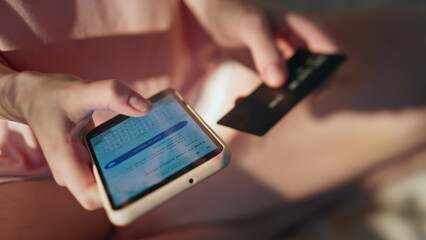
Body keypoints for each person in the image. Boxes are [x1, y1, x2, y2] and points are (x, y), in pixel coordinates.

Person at [1, 0, 425, 239]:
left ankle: (202, 212)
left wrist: (218, 8)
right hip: (23, 179)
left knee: (415, 54)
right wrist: (19, 95)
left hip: (198, 97)